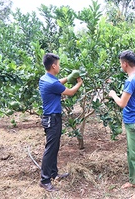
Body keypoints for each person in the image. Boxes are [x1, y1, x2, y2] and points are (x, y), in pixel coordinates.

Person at [39, 53, 83, 192]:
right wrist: (79, 83)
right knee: (50, 148)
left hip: (51, 118)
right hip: (52, 119)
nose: (59, 66)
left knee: (54, 147)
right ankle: (44, 180)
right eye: (58, 64)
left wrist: (69, 77)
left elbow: (58, 84)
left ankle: (53, 173)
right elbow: (69, 92)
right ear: (53, 66)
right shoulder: (52, 82)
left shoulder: (45, 78)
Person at [109, 50, 135, 199]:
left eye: (121, 63)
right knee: (132, 152)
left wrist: (113, 94)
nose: (121, 66)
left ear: (125, 64)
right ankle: (133, 181)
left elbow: (122, 103)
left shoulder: (131, 80)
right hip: (133, 122)